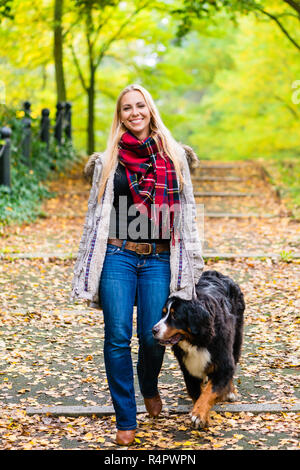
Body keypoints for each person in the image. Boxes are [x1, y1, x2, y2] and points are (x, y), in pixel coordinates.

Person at [71, 84, 204, 446]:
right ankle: (126, 418)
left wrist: (192, 260)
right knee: (116, 336)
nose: (134, 113)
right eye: (127, 108)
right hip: (119, 255)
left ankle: (148, 383)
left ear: (150, 109)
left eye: (140, 106)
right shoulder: (108, 159)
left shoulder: (173, 156)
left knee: (152, 335)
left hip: (159, 257)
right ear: (120, 115)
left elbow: (187, 214)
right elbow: (93, 216)